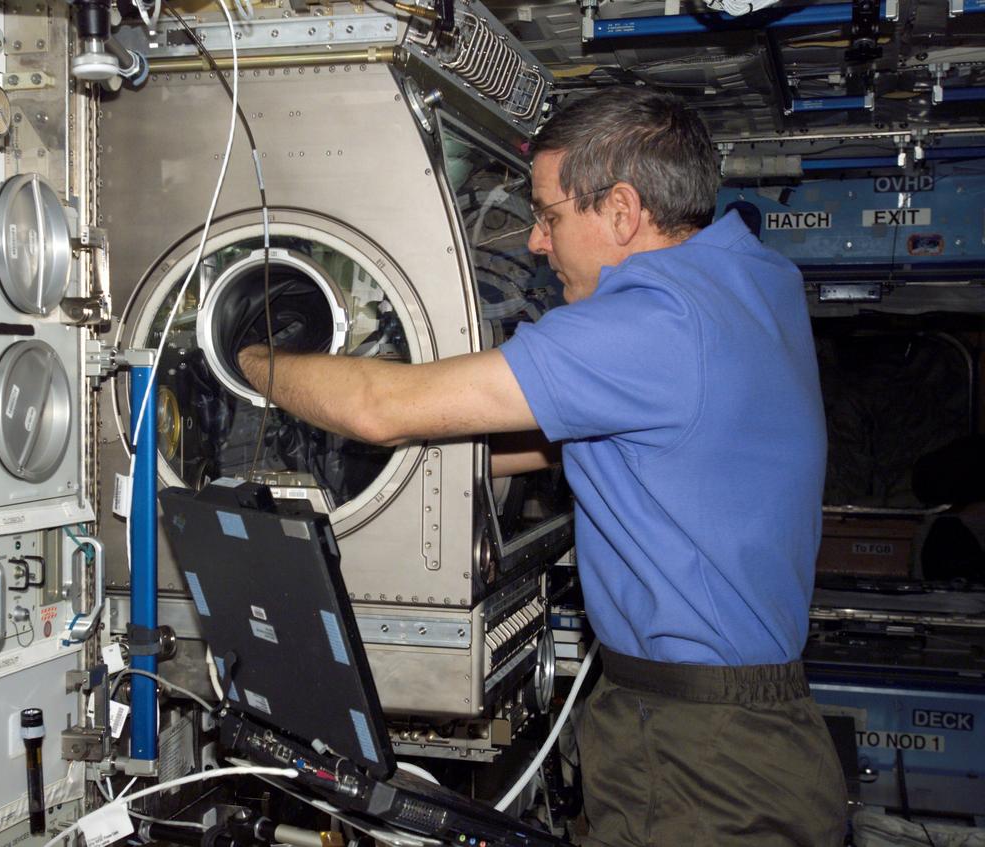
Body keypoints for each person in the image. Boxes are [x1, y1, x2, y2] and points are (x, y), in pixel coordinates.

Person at [237, 87, 846, 846]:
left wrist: (250, 353)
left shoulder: (653, 322)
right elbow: (574, 436)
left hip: (702, 756)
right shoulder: (750, 281)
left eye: (550, 215)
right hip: (743, 724)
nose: (534, 241)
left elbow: (376, 408)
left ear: (622, 211)